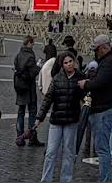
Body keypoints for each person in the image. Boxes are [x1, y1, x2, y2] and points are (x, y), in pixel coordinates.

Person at [33, 51, 84, 183]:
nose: (69, 65)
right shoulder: (57, 78)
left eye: (70, 61)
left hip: (71, 121)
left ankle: (66, 179)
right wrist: (39, 118)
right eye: (66, 63)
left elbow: (86, 96)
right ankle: (45, 180)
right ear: (62, 65)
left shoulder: (80, 78)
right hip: (56, 121)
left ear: (74, 62)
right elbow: (48, 99)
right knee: (50, 152)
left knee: (68, 153)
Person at [78, 34, 112, 183]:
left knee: (102, 150)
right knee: (101, 148)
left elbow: (100, 82)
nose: (95, 52)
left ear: (103, 48)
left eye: (96, 49)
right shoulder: (106, 61)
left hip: (103, 110)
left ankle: (105, 180)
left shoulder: (108, 62)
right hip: (101, 109)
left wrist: (86, 84)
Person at [13, 36, 42, 146]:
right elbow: (32, 73)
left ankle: (19, 136)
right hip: (28, 89)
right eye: (32, 43)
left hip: (19, 87)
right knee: (32, 112)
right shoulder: (30, 56)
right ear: (29, 43)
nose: (33, 45)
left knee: (20, 112)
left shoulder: (18, 55)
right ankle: (31, 136)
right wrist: (38, 67)